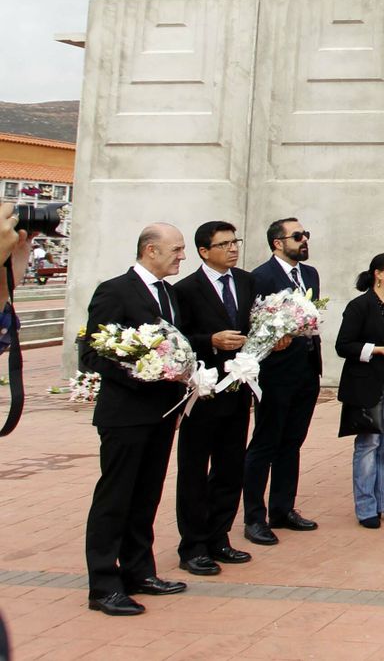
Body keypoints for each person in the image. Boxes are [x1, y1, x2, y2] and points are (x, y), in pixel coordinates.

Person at [82, 223, 191, 616]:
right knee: (115, 498)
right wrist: (142, 370)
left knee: (146, 495)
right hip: (126, 414)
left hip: (162, 413)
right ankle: (103, 585)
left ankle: (139, 570)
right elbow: (93, 352)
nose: (182, 256)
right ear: (150, 250)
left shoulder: (171, 294)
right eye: (176, 249)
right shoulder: (114, 290)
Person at [172, 221, 256, 576]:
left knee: (230, 465)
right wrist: (211, 341)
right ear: (204, 251)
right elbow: (176, 338)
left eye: (235, 242)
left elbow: (255, 326)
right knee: (194, 469)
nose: (233, 249)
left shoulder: (247, 282)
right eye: (224, 244)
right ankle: (193, 546)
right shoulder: (185, 289)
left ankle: (219, 536)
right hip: (202, 392)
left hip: (238, 390)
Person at [242, 217, 322, 545]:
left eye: (306, 235)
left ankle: (283, 508)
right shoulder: (260, 277)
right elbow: (252, 322)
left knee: (292, 441)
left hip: (306, 368)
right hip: (275, 373)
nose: (304, 241)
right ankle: (254, 517)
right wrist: (272, 337)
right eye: (297, 236)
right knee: (266, 442)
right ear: (278, 243)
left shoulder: (310, 274)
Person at [334, 252, 384, 529]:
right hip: (368, 383)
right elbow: (343, 345)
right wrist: (374, 350)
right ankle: (366, 507)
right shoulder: (360, 305)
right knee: (368, 444)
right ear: (378, 274)